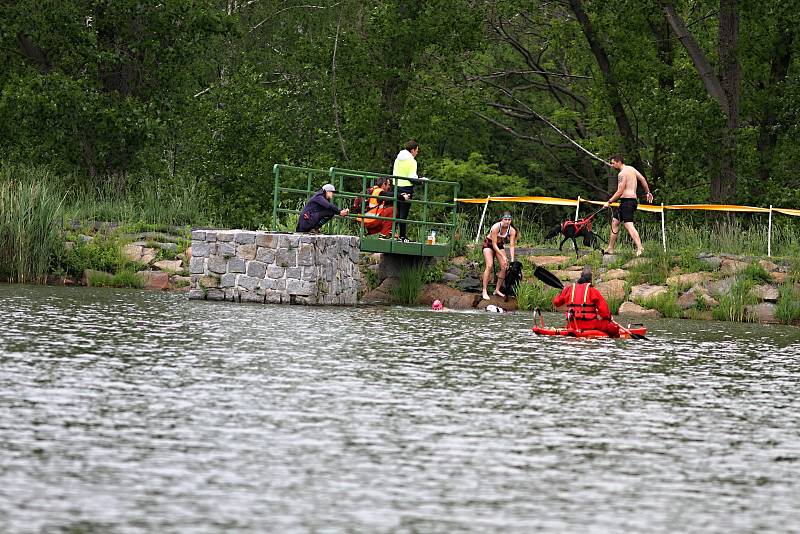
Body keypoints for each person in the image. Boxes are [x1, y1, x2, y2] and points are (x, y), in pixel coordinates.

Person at [602, 154, 654, 257]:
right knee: (615, 222)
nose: (612, 165)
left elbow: (620, 191)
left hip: (628, 202)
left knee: (628, 225)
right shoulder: (631, 169)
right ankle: (610, 248)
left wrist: (609, 202)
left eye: (613, 163)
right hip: (628, 202)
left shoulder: (622, 174)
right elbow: (643, 179)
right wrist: (648, 192)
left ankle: (640, 248)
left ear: (619, 162)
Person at [552, 267, 619, 337]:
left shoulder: (569, 289)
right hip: (590, 325)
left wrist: (562, 292)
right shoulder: (593, 291)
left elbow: (556, 302)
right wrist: (609, 318)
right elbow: (604, 312)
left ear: (581, 276)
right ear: (591, 279)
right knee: (611, 327)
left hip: (572, 325)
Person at [392, 140, 424, 241]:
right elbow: (411, 178)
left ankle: (391, 234)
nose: (417, 153)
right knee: (403, 214)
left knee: (395, 213)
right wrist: (421, 181)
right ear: (412, 150)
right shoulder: (412, 161)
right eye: (416, 151)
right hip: (406, 188)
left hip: (396, 187)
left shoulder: (398, 158)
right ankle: (402, 237)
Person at [481, 212, 518, 301]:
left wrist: (512, 260)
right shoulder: (496, 227)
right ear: (502, 220)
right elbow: (494, 245)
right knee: (489, 265)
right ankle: (484, 290)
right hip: (489, 244)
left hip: (500, 244)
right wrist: (503, 256)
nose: (507, 221)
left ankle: (497, 289)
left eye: (509, 220)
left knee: (504, 266)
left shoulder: (512, 230)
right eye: (505, 219)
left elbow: (512, 246)